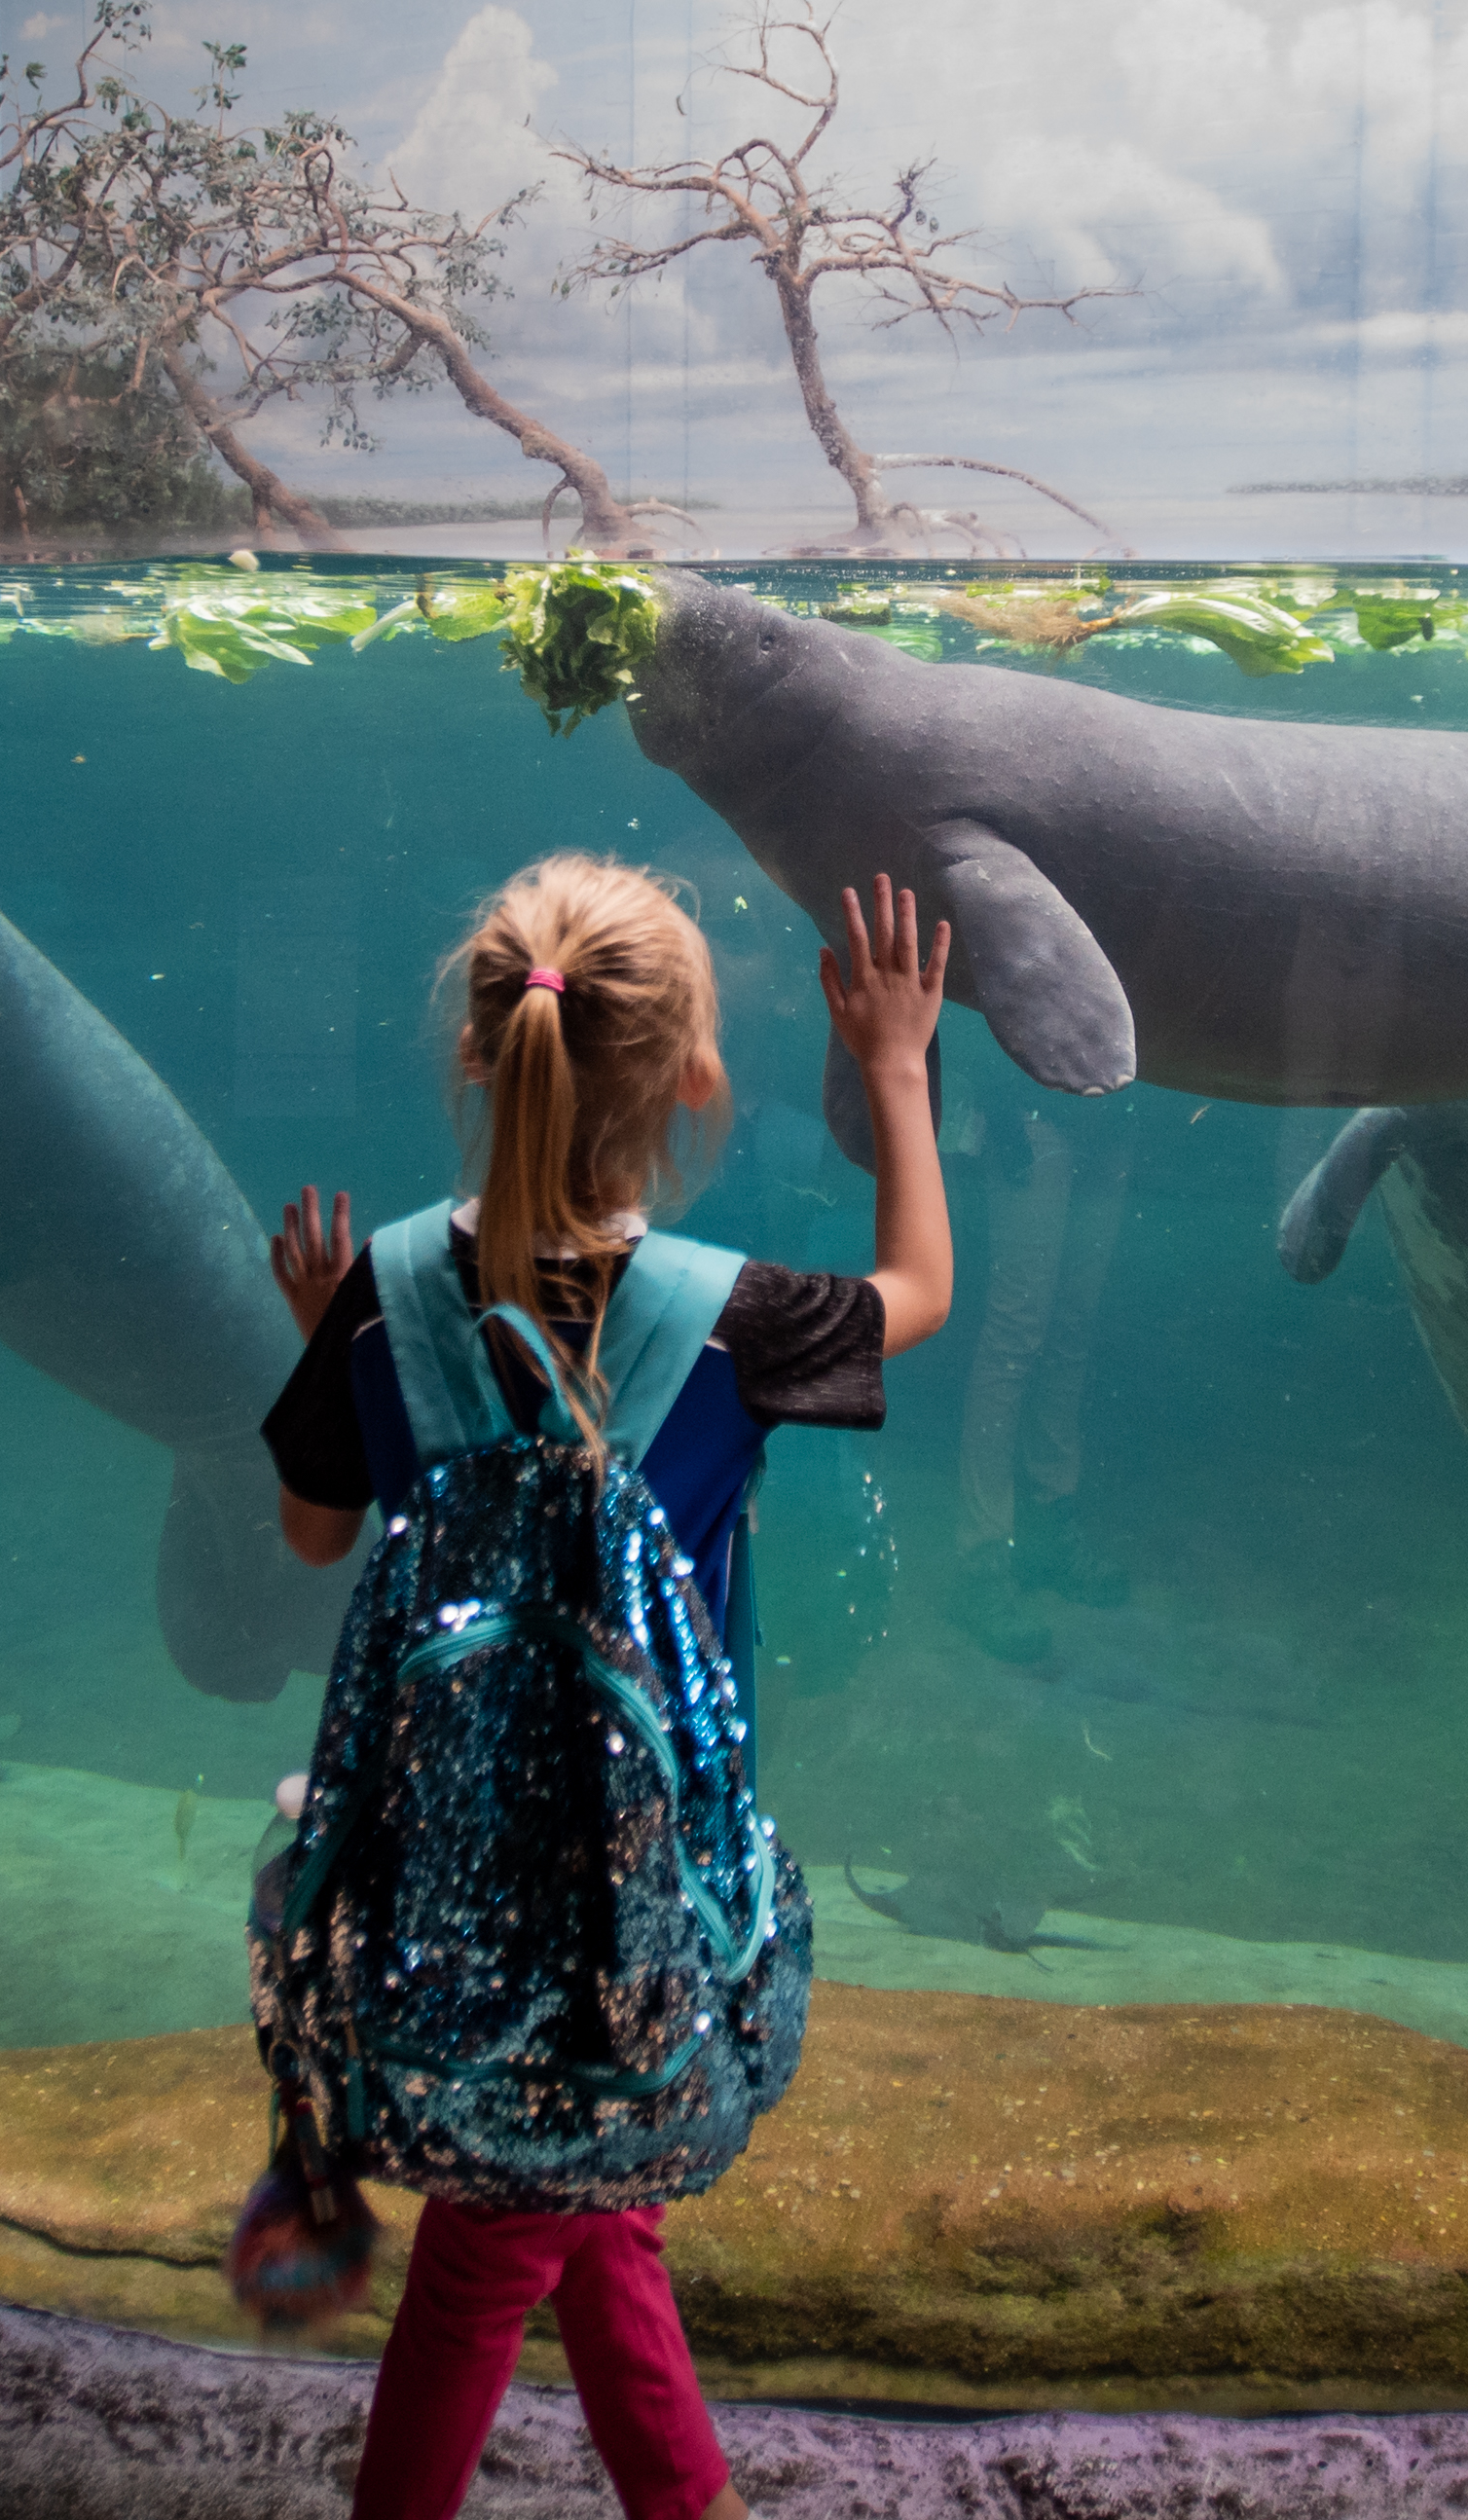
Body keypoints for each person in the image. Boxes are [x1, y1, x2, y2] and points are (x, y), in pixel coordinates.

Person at [255, 858, 956, 2520]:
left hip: (439, 1895)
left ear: (479, 1054)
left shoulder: (379, 1296)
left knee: (588, 2209)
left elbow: (310, 1538)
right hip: (644, 1903)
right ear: (694, 1078)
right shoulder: (739, 1327)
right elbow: (920, 1292)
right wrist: (900, 1067)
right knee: (500, 2254)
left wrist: (323, 1340)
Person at [941, 1089, 1136, 1662]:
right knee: (1015, 1335)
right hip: (1027, 1111)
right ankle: (979, 1564)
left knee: (1068, 1328)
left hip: (1113, 1115)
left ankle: (1049, 1530)